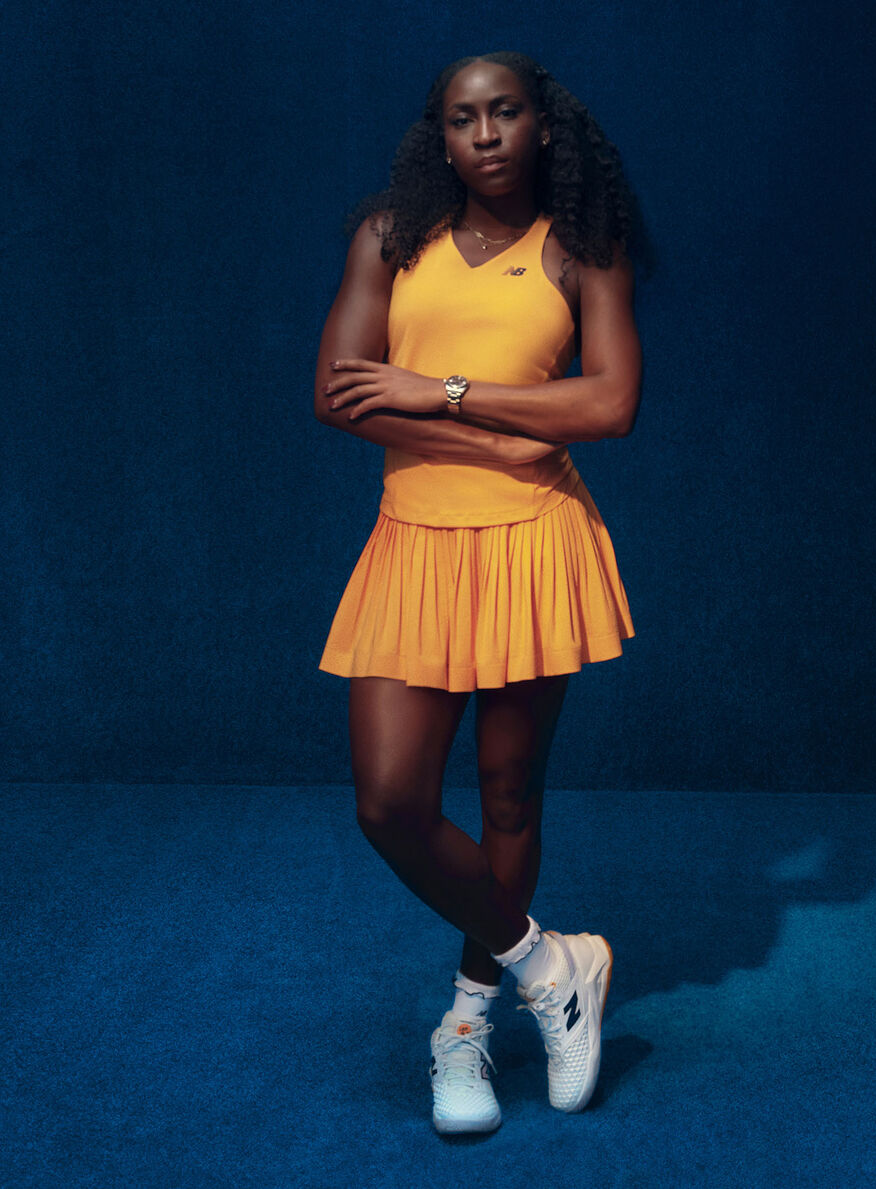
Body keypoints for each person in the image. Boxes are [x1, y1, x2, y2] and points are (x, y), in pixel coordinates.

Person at [313, 51, 644, 1134]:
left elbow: (608, 405)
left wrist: (441, 389)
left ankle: (466, 1018)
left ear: (544, 127)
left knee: (508, 795)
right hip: (416, 538)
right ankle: (555, 966)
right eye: (463, 118)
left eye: (505, 112)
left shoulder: (585, 248)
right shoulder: (386, 240)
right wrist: (495, 438)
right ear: (440, 138)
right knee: (391, 802)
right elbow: (338, 395)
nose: (486, 133)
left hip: (531, 546)